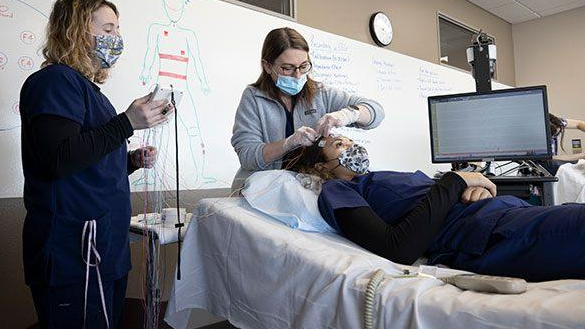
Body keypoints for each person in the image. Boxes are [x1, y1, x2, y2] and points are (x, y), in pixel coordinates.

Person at [20, 0, 172, 328]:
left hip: (102, 248)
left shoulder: (87, 91)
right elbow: (57, 159)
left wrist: (130, 160)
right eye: (108, 28)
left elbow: (86, 160)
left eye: (117, 29)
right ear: (75, 32)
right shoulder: (54, 81)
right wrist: (127, 122)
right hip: (73, 252)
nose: (116, 38)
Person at [288, 135, 585, 282]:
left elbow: (434, 202)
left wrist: (472, 190)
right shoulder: (338, 190)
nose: (351, 146)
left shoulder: (377, 178)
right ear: (319, 165)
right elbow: (398, 247)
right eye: (339, 144)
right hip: (491, 234)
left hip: (503, 215)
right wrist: (455, 181)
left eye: (350, 139)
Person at [231, 27, 384, 190]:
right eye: (287, 68)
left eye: (303, 66)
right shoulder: (254, 99)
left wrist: (348, 114)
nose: (297, 75)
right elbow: (248, 156)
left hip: (303, 190)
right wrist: (289, 143)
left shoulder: (321, 93)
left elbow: (376, 112)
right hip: (260, 190)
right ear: (268, 66)